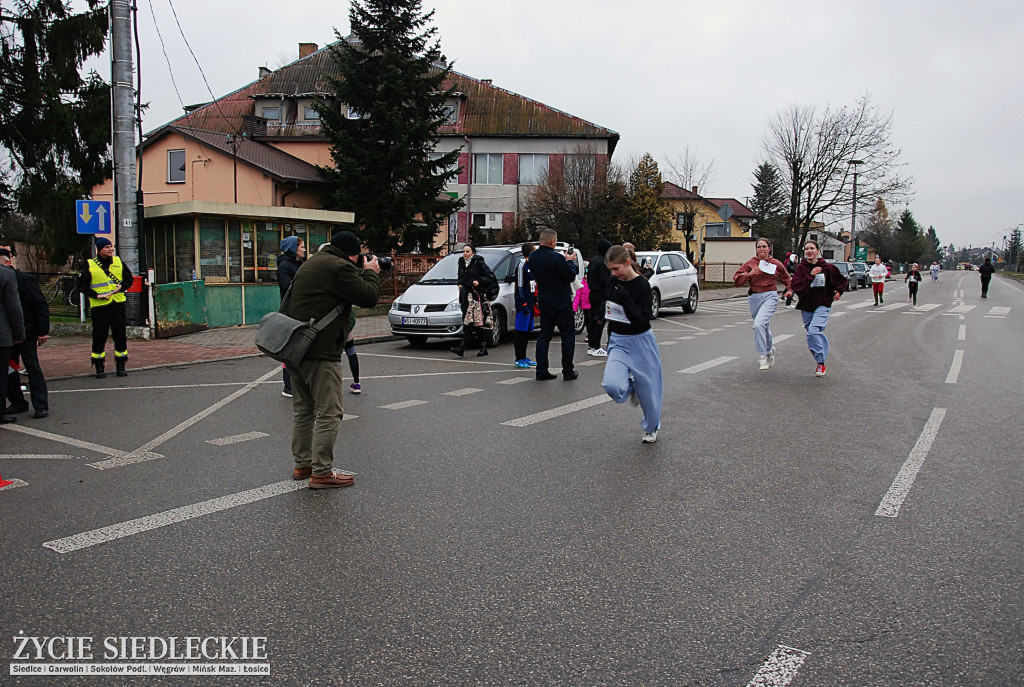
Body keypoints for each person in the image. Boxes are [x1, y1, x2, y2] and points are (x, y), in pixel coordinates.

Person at [282, 230, 380, 488]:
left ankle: (302, 465)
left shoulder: (314, 262)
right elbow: (369, 297)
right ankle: (322, 472)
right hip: (320, 352)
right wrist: (370, 271)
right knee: (330, 412)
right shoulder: (338, 267)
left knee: (304, 410)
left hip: (297, 348)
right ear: (352, 254)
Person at [600, 245, 662, 443]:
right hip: (619, 340)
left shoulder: (642, 285)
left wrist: (625, 298)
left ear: (628, 263)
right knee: (611, 384)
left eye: (616, 268)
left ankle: (651, 428)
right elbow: (609, 304)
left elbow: (642, 318)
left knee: (649, 392)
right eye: (610, 269)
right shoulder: (612, 281)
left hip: (641, 339)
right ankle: (631, 388)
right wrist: (599, 314)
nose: (613, 273)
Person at [0, 245, 49, 418]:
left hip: (27, 332)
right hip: (7, 334)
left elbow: (40, 304)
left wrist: (42, 331)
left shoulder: (23, 279)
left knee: (32, 367)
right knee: (9, 370)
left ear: (7, 260)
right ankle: (17, 402)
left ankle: (41, 405)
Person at [732, 238, 792, 370]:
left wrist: (790, 290)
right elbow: (737, 280)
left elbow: (787, 278)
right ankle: (770, 350)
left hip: (770, 295)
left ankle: (762, 357)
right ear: (756, 249)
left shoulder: (776, 263)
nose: (761, 249)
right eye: (759, 247)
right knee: (763, 327)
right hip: (754, 296)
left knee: (758, 325)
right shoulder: (751, 263)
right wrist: (749, 274)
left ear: (769, 248)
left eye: (764, 246)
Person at [790, 240, 847, 377]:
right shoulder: (801, 268)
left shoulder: (827, 267)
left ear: (817, 251)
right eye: (806, 249)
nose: (809, 251)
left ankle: (820, 362)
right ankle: (820, 358)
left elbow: (841, 281)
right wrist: (811, 275)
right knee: (812, 332)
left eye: (812, 248)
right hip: (807, 305)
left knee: (813, 332)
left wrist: (839, 291)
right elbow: (798, 287)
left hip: (823, 303)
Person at [77, 237, 133, 378]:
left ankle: (121, 365)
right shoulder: (90, 265)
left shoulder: (118, 262)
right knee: (99, 337)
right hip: (100, 307)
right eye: (107, 247)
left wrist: (122, 286)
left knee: (120, 336)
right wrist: (96, 295)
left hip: (118, 305)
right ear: (99, 249)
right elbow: (82, 286)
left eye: (111, 247)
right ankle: (99, 366)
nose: (111, 249)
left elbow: (129, 279)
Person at [529, 229, 579, 381]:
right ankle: (568, 370)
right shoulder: (557, 258)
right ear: (552, 241)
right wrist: (570, 261)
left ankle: (541, 369)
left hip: (544, 299)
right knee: (567, 335)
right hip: (561, 300)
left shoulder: (533, 257)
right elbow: (570, 276)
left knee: (544, 336)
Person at [450, 244, 497, 358]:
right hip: (465, 296)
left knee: (472, 322)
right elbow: (461, 277)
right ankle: (482, 347)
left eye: (467, 251)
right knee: (471, 322)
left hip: (476, 296)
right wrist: (460, 284)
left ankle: (462, 347)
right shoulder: (461, 262)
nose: (465, 253)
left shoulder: (479, 262)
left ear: (473, 253)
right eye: (464, 251)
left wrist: (479, 281)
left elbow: (490, 277)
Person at [277, 236, 306, 397]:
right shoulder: (284, 266)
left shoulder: (300, 264)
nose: (304, 249)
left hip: (300, 311)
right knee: (289, 351)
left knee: (300, 350)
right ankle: (288, 385)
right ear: (293, 248)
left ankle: (298, 383)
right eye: (301, 246)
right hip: (289, 312)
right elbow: (287, 288)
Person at [0, 247, 25, 424]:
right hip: (2, 335)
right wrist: (19, 333)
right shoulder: (6, 274)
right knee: (2, 375)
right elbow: (14, 308)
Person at [585, 239, 612, 356]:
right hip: (600, 294)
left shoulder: (594, 260)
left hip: (593, 293)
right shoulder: (602, 262)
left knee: (593, 319)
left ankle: (592, 345)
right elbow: (605, 280)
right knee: (599, 320)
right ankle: (595, 346)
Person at [512, 243, 537, 368]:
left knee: (527, 331)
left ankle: (524, 356)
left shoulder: (531, 266)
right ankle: (518, 358)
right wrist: (523, 303)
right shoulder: (522, 266)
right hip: (523, 304)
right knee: (520, 331)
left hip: (531, 302)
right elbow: (520, 286)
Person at [573, 274, 595, 355]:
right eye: (586, 275)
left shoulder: (593, 284)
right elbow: (577, 297)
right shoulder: (581, 284)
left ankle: (590, 335)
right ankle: (589, 334)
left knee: (590, 321)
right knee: (587, 322)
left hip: (591, 306)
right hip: (584, 307)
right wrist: (574, 308)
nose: (586, 276)